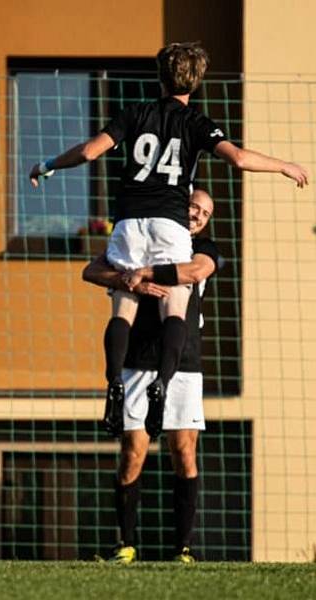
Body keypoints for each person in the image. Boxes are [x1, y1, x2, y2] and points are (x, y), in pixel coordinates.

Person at [31, 42, 307, 440]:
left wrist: (49, 165)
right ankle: (163, 380)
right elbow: (240, 159)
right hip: (169, 223)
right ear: (196, 83)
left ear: (159, 77)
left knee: (124, 301)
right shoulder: (196, 121)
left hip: (128, 222)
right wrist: (284, 165)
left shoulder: (134, 112)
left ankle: (114, 381)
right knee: (175, 303)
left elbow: (91, 152)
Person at [83, 189, 221, 564]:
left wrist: (145, 272)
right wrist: (133, 280)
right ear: (179, 206)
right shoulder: (139, 243)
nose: (196, 215)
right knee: (132, 454)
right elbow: (92, 270)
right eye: (192, 207)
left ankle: (183, 550)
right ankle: (125, 544)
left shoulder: (203, 247)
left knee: (184, 452)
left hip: (184, 365)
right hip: (137, 361)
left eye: (204, 213)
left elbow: (197, 271)